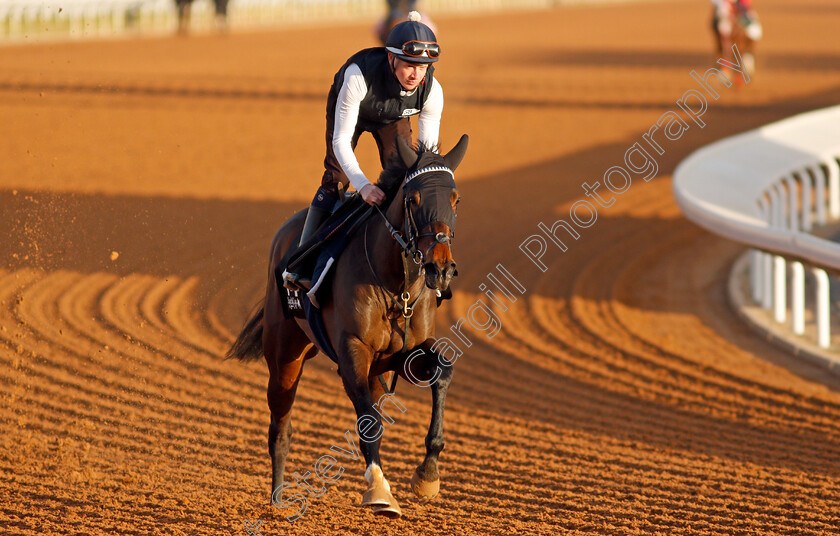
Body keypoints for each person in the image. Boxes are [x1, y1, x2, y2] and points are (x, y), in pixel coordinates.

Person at [283, 11, 444, 291]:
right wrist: (364, 186)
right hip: (351, 114)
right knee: (335, 181)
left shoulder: (431, 90)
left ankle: (416, 261)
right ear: (391, 58)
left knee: (406, 181)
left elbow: (425, 158)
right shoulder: (358, 75)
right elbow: (341, 141)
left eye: (424, 67)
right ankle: (301, 264)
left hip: (392, 117)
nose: (416, 74)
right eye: (409, 65)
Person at [710, 0, 762, 75]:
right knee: (723, 27)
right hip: (726, 8)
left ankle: (748, 58)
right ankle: (725, 65)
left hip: (743, 8)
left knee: (754, 30)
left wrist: (742, 4)